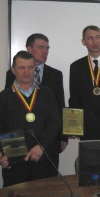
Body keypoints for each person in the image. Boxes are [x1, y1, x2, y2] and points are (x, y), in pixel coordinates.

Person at [0, 51, 61, 187]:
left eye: (30, 67)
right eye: (21, 67)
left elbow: (55, 123)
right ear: (13, 70)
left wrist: (41, 146)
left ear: (35, 69)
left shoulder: (47, 93)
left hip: (44, 159)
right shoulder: (3, 97)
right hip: (15, 163)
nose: (26, 71)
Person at [5, 34, 66, 168]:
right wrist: (6, 153)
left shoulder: (51, 83)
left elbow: (58, 113)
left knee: (47, 186)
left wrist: (63, 136)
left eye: (47, 48)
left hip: (47, 146)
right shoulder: (6, 88)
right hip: (17, 151)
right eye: (41, 47)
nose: (45, 51)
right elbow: (7, 118)